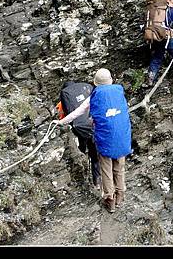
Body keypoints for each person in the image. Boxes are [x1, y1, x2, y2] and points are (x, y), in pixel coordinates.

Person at [54, 68, 132, 213]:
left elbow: (78, 112)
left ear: (96, 83)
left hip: (105, 139)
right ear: (110, 80)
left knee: (106, 169)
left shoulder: (94, 96)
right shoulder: (118, 92)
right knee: (119, 168)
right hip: (122, 136)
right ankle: (120, 195)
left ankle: (110, 200)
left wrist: (61, 122)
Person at [57, 81, 100, 189]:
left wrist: (60, 123)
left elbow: (66, 114)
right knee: (94, 153)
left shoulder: (65, 97)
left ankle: (84, 173)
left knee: (82, 147)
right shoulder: (86, 89)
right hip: (92, 125)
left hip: (79, 128)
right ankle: (97, 181)